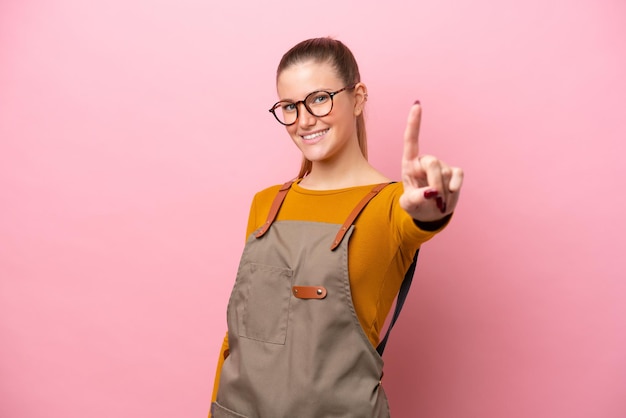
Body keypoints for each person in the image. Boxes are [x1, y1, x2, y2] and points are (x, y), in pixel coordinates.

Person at [209, 37, 463, 418]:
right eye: (290, 107)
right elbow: (237, 341)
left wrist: (432, 209)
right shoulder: (265, 204)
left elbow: (420, 223)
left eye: (320, 98)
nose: (305, 119)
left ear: (358, 97)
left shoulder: (392, 207)